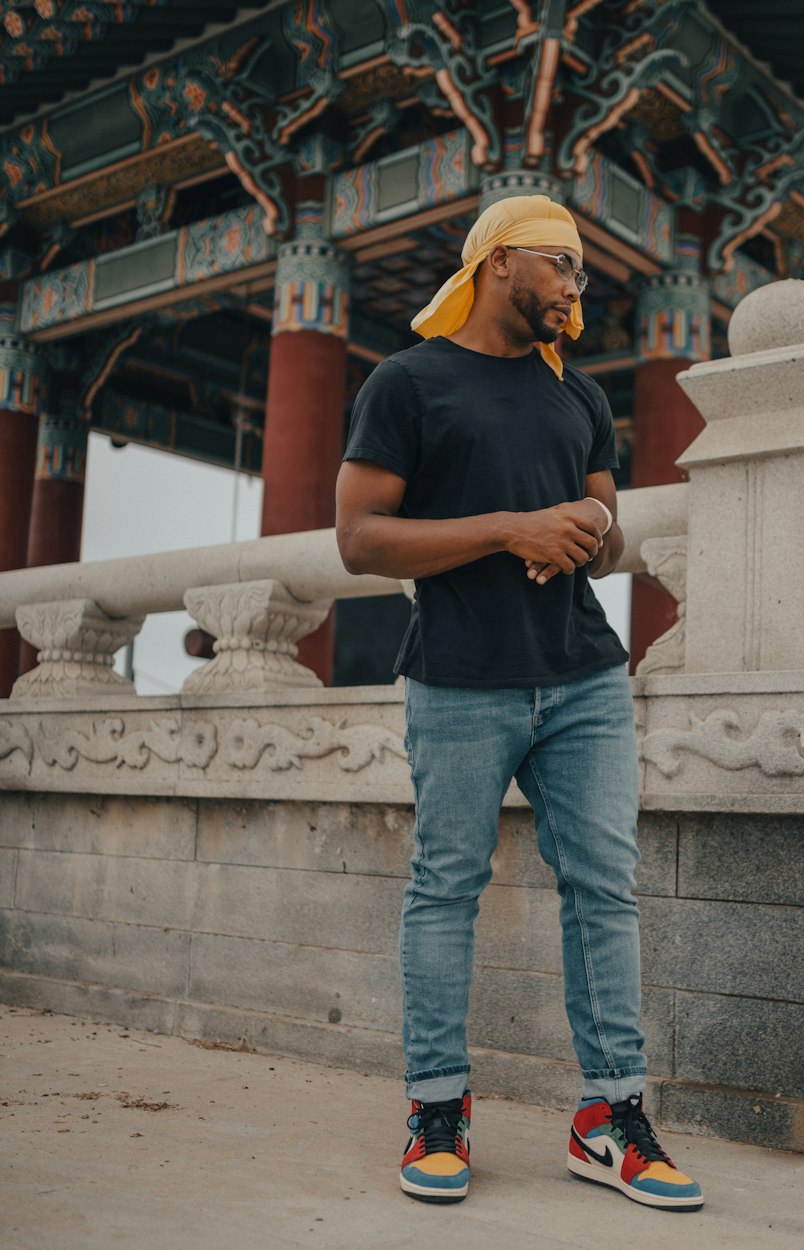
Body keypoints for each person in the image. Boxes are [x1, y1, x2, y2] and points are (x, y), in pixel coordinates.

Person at [336, 194, 703, 1212]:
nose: (575, 290)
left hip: (584, 672)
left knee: (605, 887)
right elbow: (359, 538)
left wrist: (585, 522)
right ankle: (438, 1107)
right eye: (564, 267)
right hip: (458, 672)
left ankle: (611, 1115)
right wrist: (510, 527)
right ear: (501, 262)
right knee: (446, 885)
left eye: (581, 275)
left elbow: (610, 534)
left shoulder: (578, 396)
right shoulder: (407, 383)